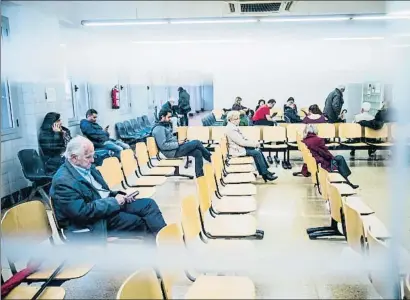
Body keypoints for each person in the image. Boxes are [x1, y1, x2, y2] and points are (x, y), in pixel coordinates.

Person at [50, 136, 167, 242]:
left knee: (148, 204)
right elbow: (83, 212)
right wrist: (114, 202)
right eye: (88, 157)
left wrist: (118, 196)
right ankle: (161, 252)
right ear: (74, 158)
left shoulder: (85, 166)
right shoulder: (63, 182)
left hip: (106, 208)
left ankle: (168, 242)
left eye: (92, 155)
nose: (92, 160)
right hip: (91, 223)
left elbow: (100, 192)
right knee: (140, 221)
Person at [151, 109, 212, 178]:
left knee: (198, 152)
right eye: (168, 117)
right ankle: (211, 158)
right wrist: (177, 143)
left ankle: (200, 177)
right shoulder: (159, 129)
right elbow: (163, 146)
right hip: (172, 152)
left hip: (175, 148)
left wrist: (180, 141)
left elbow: (169, 140)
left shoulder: (163, 126)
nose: (170, 119)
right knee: (197, 142)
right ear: (162, 117)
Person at [225, 111, 277, 182]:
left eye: (239, 118)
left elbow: (243, 139)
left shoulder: (233, 127)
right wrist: (254, 144)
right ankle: (265, 174)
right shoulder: (231, 129)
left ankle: (265, 171)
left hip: (239, 147)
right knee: (257, 153)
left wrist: (253, 142)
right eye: (236, 119)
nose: (239, 120)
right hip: (237, 150)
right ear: (230, 120)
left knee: (258, 150)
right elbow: (241, 142)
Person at [302, 124, 358, 189]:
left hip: (314, 163)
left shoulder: (305, 140)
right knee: (339, 158)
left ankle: (347, 181)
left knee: (338, 159)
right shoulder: (318, 140)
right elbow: (326, 154)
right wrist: (332, 158)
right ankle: (347, 181)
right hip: (321, 164)